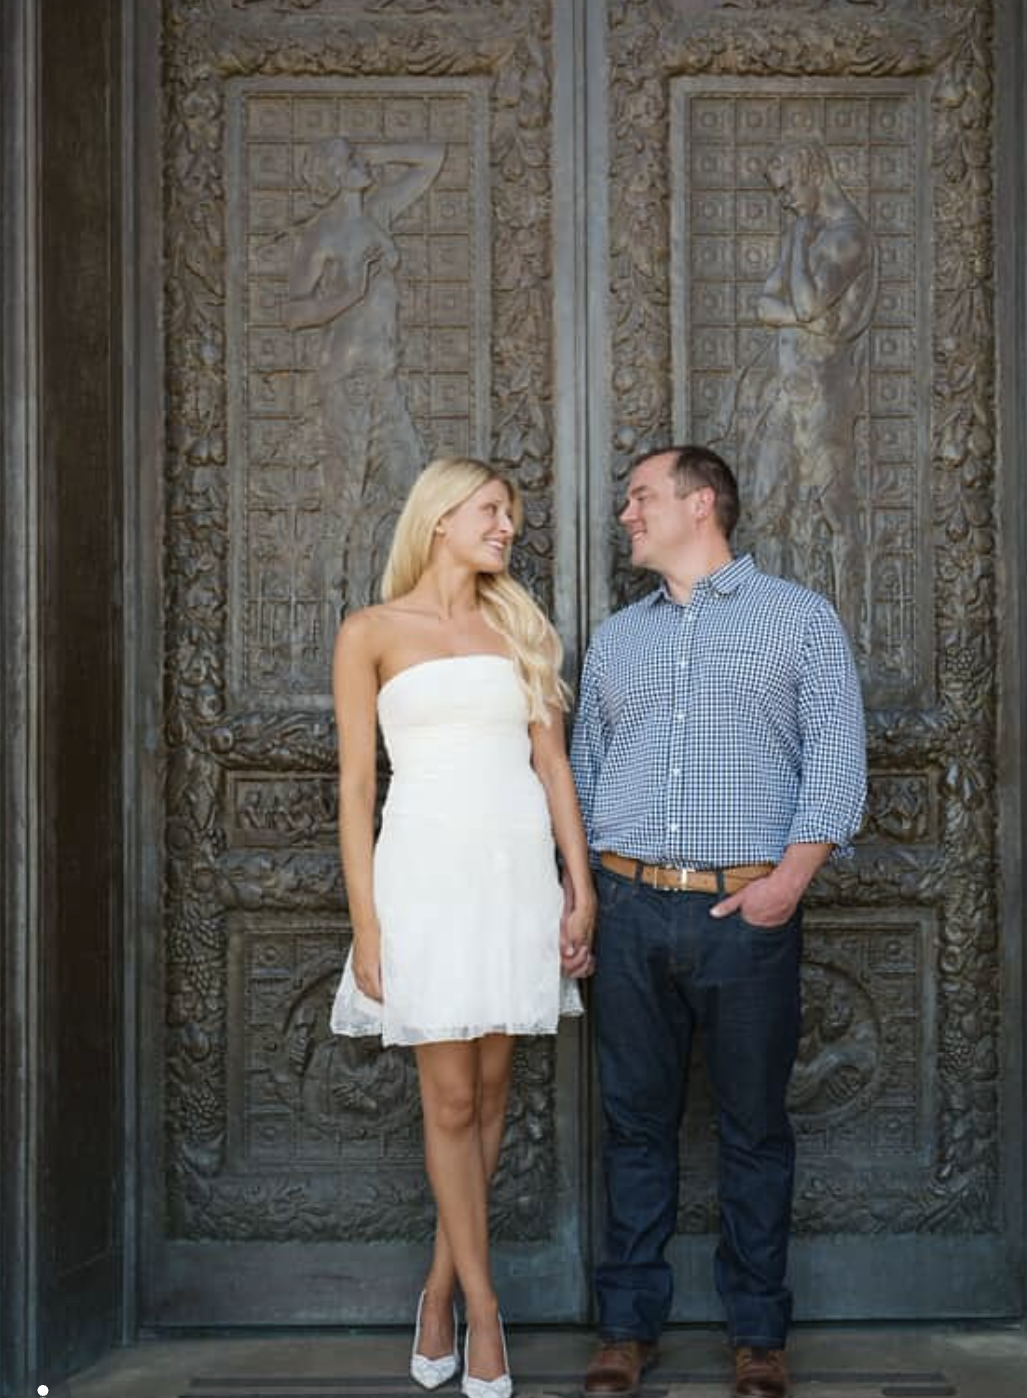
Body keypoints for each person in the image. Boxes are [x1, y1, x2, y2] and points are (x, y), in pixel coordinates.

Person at [570, 445, 866, 1398]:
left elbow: (837, 765)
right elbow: (582, 777)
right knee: (633, 1126)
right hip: (628, 908)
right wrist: (585, 896)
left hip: (747, 915)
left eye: (640, 497)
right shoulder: (618, 637)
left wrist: (787, 883)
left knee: (753, 1130)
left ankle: (758, 1337)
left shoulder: (800, 621)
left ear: (701, 505)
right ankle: (625, 1328)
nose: (626, 514)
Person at [329, 456, 595, 1398]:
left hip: (514, 874)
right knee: (447, 1101)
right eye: (493, 511)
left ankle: (438, 1287)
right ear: (440, 517)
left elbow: (554, 767)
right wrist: (367, 925)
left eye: (512, 516)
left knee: (488, 1096)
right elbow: (358, 788)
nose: (507, 528)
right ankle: (484, 1311)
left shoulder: (518, 627)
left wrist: (580, 884)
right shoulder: (370, 633)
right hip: (424, 879)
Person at [287, 135, 445, 617]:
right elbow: (294, 312)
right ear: (331, 176)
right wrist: (351, 293)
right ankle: (326, 614)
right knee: (344, 498)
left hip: (385, 380)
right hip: (347, 381)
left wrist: (372, 153)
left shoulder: (378, 212)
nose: (358, 163)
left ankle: (398, 603)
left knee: (415, 491)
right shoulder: (323, 235)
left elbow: (431, 159)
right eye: (347, 160)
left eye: (355, 157)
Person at [738, 136, 878, 650]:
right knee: (770, 503)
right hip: (786, 390)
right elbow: (767, 305)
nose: (785, 201)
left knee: (834, 512)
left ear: (813, 172)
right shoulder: (807, 229)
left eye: (789, 189)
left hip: (824, 398)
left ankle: (846, 633)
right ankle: (772, 629)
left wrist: (797, 244)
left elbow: (808, 300)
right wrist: (800, 312)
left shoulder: (847, 236)